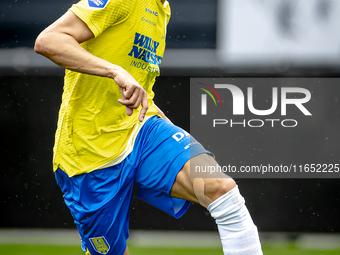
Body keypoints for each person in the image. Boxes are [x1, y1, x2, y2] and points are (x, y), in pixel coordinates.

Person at [34, 0, 263, 254]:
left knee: (222, 190)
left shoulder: (162, 8)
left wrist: (161, 120)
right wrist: (114, 71)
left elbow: (139, 81)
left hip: (141, 131)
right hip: (89, 153)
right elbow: (48, 40)